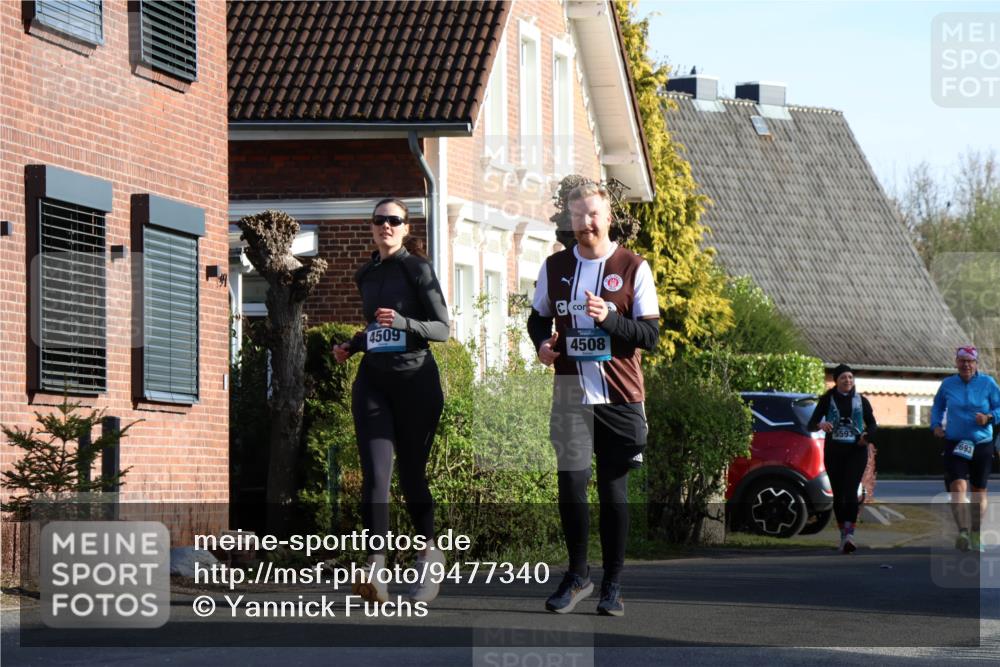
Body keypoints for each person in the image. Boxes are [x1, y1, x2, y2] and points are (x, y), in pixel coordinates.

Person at [527, 181, 660, 617]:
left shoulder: (633, 267)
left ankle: (613, 584)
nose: (585, 222)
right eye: (578, 215)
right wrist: (541, 346)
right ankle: (578, 574)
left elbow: (650, 335)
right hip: (569, 393)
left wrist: (612, 319)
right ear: (569, 220)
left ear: (608, 217)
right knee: (571, 485)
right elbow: (538, 317)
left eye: (593, 214)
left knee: (613, 492)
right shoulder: (555, 266)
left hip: (619, 395)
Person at [332, 198, 450, 602]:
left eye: (394, 220)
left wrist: (403, 322)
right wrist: (354, 344)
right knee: (376, 476)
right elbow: (375, 329)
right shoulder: (366, 274)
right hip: (374, 383)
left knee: (412, 475)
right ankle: (375, 567)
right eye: (380, 220)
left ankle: (428, 554)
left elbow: (442, 329)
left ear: (405, 228)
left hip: (416, 383)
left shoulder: (417, 269)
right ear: (371, 226)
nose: (386, 226)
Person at [931, 346, 1000, 552]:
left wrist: (989, 417)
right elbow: (937, 406)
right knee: (957, 487)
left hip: (981, 443)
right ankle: (962, 531)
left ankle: (976, 532)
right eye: (962, 361)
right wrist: (935, 425)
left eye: (970, 361)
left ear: (976, 363)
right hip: (956, 442)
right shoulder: (948, 384)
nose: (966, 365)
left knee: (979, 491)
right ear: (956, 362)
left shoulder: (988, 383)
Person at [807, 364, 877, 554]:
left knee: (850, 491)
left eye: (850, 377)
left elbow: (873, 425)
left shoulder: (861, 401)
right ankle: (843, 536)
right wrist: (821, 424)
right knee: (838, 494)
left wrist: (866, 437)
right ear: (836, 380)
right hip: (834, 452)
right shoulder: (827, 400)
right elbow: (811, 424)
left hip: (856, 452)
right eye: (844, 377)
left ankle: (850, 535)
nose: (848, 380)